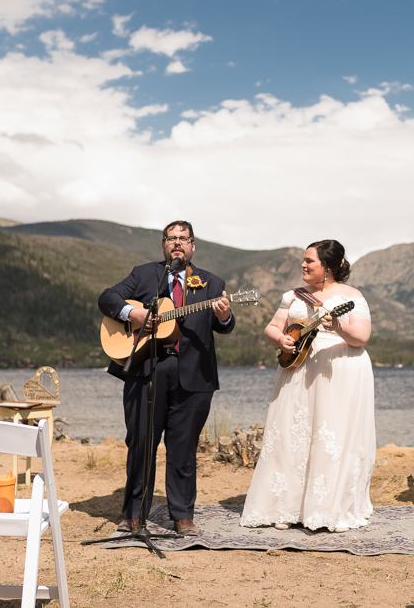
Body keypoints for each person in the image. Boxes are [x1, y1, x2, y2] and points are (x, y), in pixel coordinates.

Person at [98, 220, 233, 536]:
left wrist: (225, 315)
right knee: (141, 443)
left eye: (183, 238)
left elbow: (224, 325)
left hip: (193, 378)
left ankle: (183, 515)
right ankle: (133, 514)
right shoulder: (144, 274)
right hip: (146, 370)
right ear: (163, 245)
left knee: (184, 449)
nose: (177, 243)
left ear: (193, 245)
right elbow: (107, 298)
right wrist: (135, 314)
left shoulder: (211, 283)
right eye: (171, 238)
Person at [240, 239, 375, 533]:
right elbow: (272, 327)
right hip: (299, 369)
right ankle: (284, 506)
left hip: (339, 371)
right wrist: (280, 339)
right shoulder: (294, 296)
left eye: (309, 261)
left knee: (332, 436)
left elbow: (361, 338)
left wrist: (337, 326)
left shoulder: (352, 296)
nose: (303, 265)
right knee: (292, 435)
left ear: (327, 267)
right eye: (303, 260)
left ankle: (331, 507)